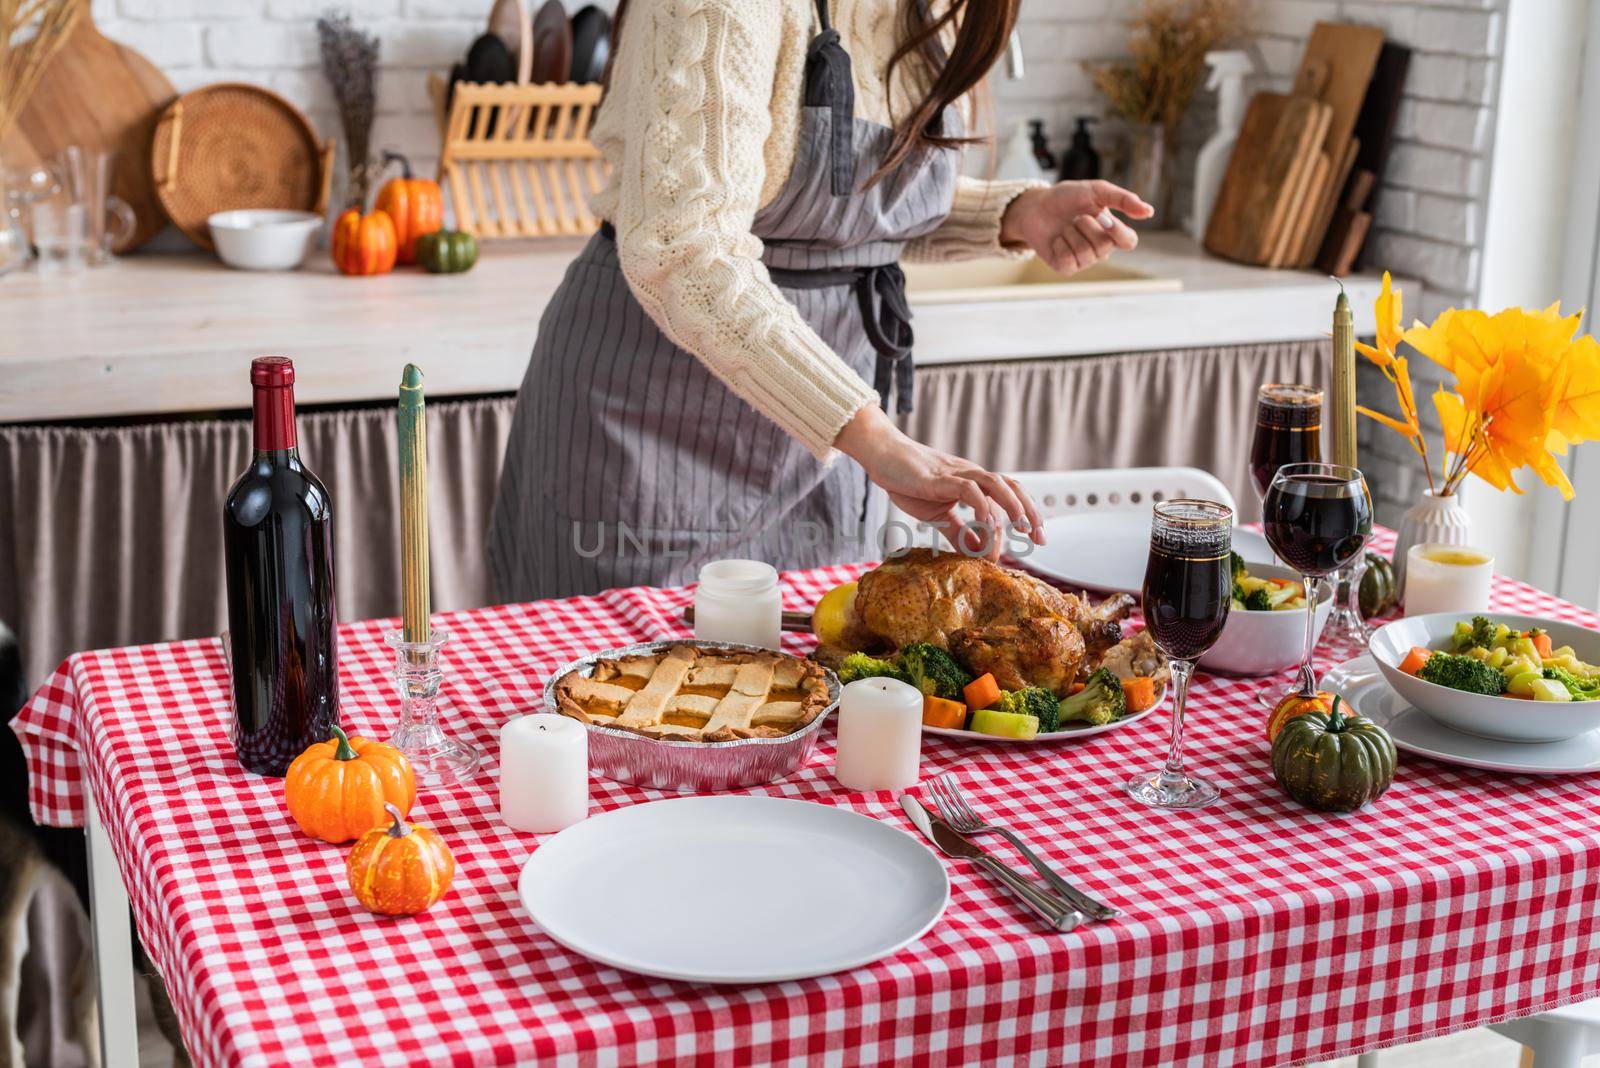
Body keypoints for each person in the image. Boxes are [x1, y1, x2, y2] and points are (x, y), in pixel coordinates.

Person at [488, 0, 1153, 601]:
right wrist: (872, 436)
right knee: (620, 705)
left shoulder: (923, 11)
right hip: (651, 421)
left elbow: (846, 213)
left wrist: (1016, 212)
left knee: (813, 692)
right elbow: (681, 246)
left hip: (822, 433)